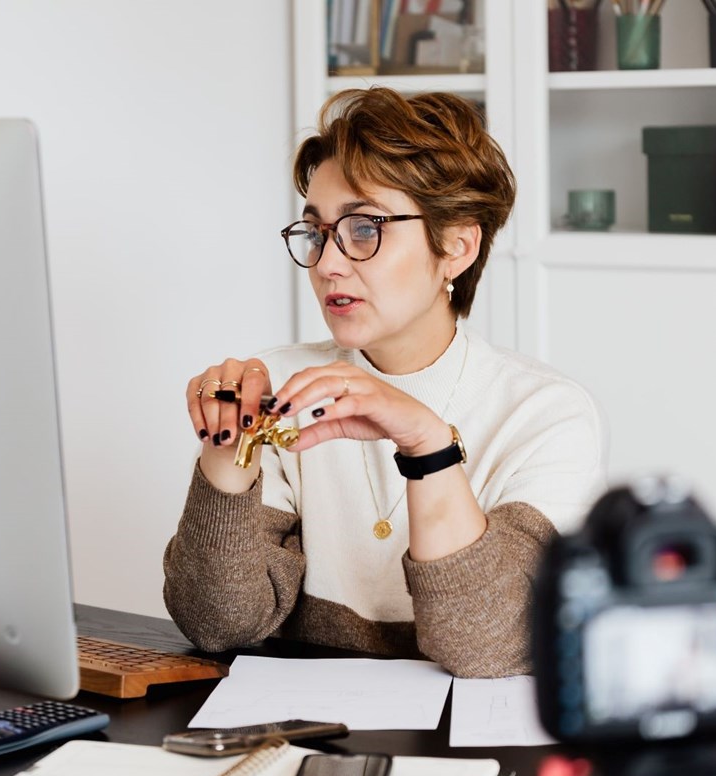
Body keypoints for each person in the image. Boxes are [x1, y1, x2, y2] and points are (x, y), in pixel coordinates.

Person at [163, 87, 606, 678]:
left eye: (365, 228)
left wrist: (429, 446)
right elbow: (219, 624)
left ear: (457, 246)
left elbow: (491, 646)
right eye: (316, 232)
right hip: (307, 734)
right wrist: (226, 453)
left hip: (472, 750)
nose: (327, 263)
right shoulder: (280, 386)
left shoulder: (545, 414)